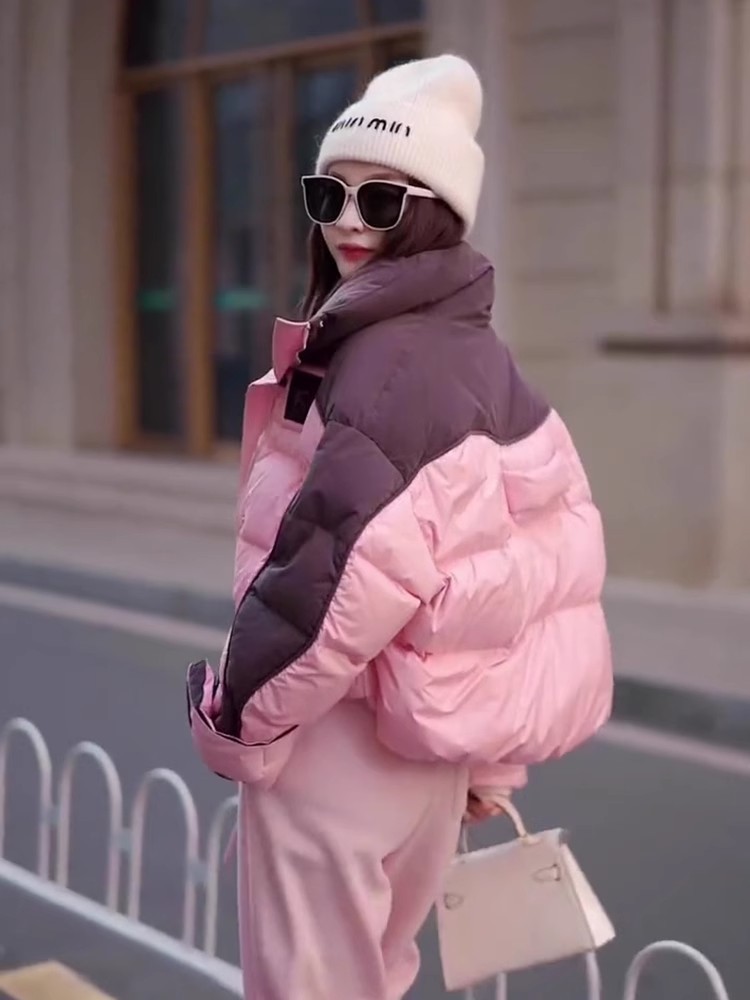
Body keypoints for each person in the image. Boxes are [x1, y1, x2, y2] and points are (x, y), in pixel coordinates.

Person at [187, 53, 613, 1000]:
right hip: (426, 759)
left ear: (434, 213)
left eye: (381, 201)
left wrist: (240, 719)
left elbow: (332, 573)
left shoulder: (384, 363)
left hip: (333, 738)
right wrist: (489, 758)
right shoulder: (479, 357)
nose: (347, 221)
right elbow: (522, 558)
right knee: (375, 978)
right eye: (328, 194)